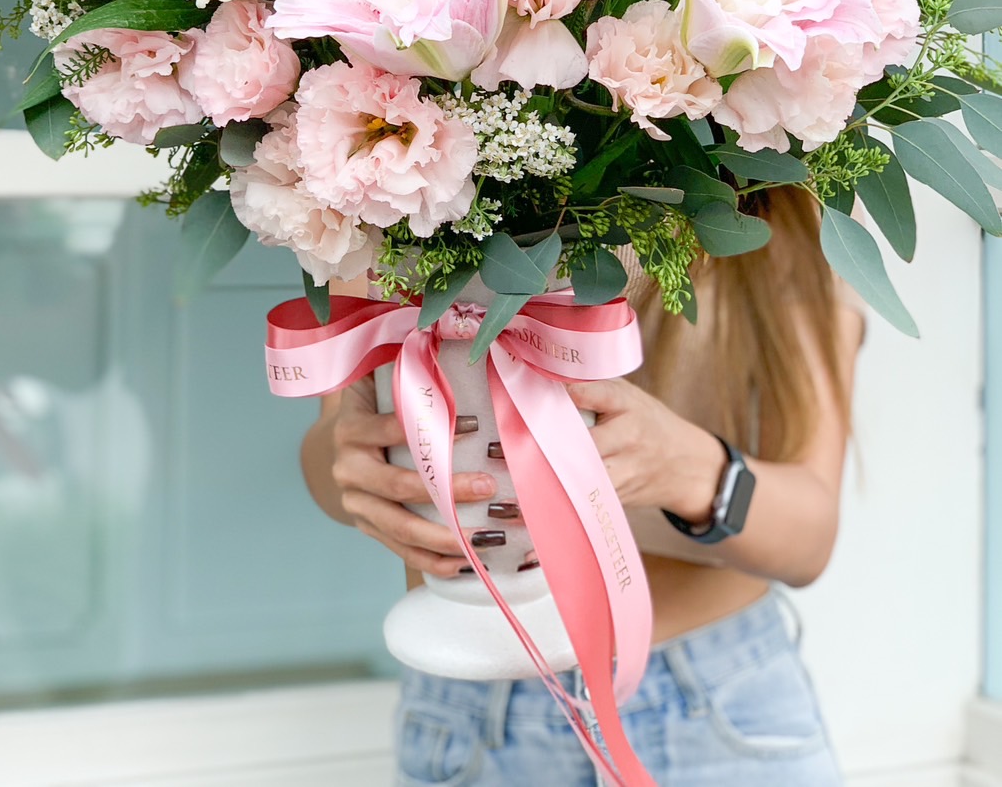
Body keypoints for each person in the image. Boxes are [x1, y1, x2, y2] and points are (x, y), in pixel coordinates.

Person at [300, 186, 864, 785]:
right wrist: (359, 470)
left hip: (716, 705)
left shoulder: (778, 199)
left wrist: (684, 467)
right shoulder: (398, 178)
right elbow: (332, 452)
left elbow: (809, 538)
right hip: (476, 702)